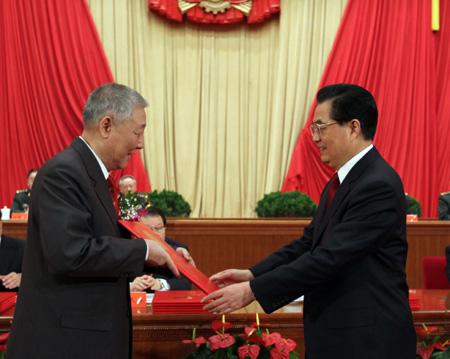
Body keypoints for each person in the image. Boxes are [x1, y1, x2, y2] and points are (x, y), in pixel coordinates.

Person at [202, 84, 416, 358]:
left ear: (353, 127)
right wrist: (254, 273)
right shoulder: (342, 180)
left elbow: (330, 257)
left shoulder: (377, 184)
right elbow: (309, 244)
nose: (315, 138)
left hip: (368, 339)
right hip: (340, 333)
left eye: (321, 127)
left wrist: (253, 291)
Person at [6, 83, 179, 359]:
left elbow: (100, 241)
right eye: (138, 131)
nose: (141, 144)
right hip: (65, 343)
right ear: (107, 125)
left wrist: (164, 255)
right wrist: (144, 250)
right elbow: (71, 253)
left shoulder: (91, 174)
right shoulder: (63, 173)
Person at [130, 207, 192, 292]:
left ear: (165, 229)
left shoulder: (179, 249)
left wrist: (161, 284)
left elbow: (185, 283)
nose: (154, 234)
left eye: (158, 228)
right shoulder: (129, 248)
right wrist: (131, 286)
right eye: (147, 229)